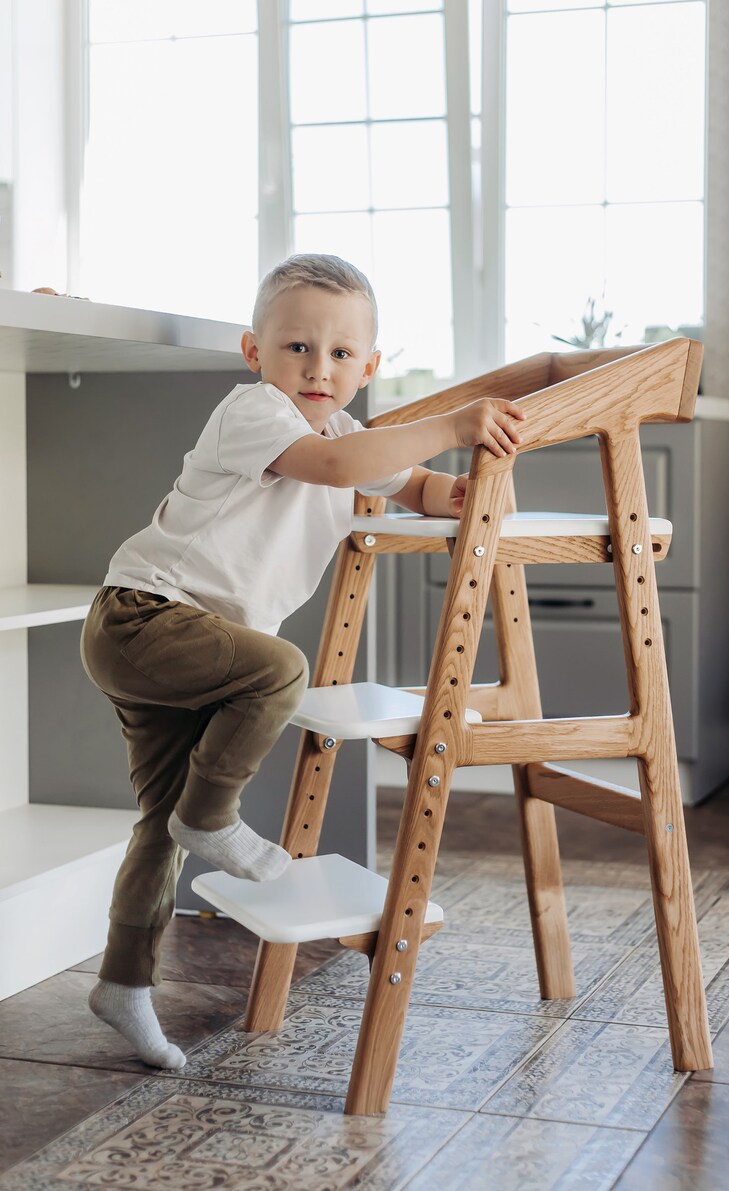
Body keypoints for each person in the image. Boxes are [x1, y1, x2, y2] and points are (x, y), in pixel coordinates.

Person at [79, 253, 526, 1070]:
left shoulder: (350, 436)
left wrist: (455, 492)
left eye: (341, 353)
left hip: (192, 642)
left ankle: (124, 984)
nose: (319, 369)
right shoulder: (255, 413)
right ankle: (212, 819)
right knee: (281, 671)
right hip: (144, 616)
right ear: (256, 352)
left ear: (369, 367)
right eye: (297, 348)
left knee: (160, 821)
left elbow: (409, 483)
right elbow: (338, 470)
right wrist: (457, 422)